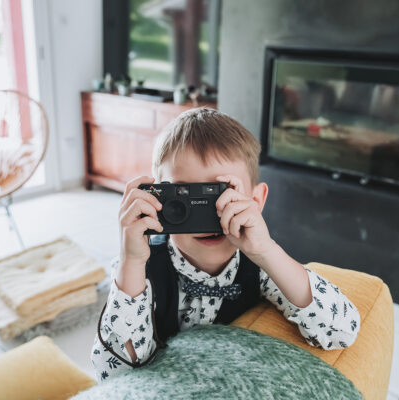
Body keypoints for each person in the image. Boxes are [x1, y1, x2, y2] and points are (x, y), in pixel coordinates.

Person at [91, 108, 360, 382]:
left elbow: (341, 332)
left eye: (221, 194)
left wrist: (266, 251)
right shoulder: (139, 267)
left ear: (256, 201)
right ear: (158, 199)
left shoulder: (260, 263)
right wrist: (131, 261)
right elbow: (114, 376)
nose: (206, 216)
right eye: (183, 196)